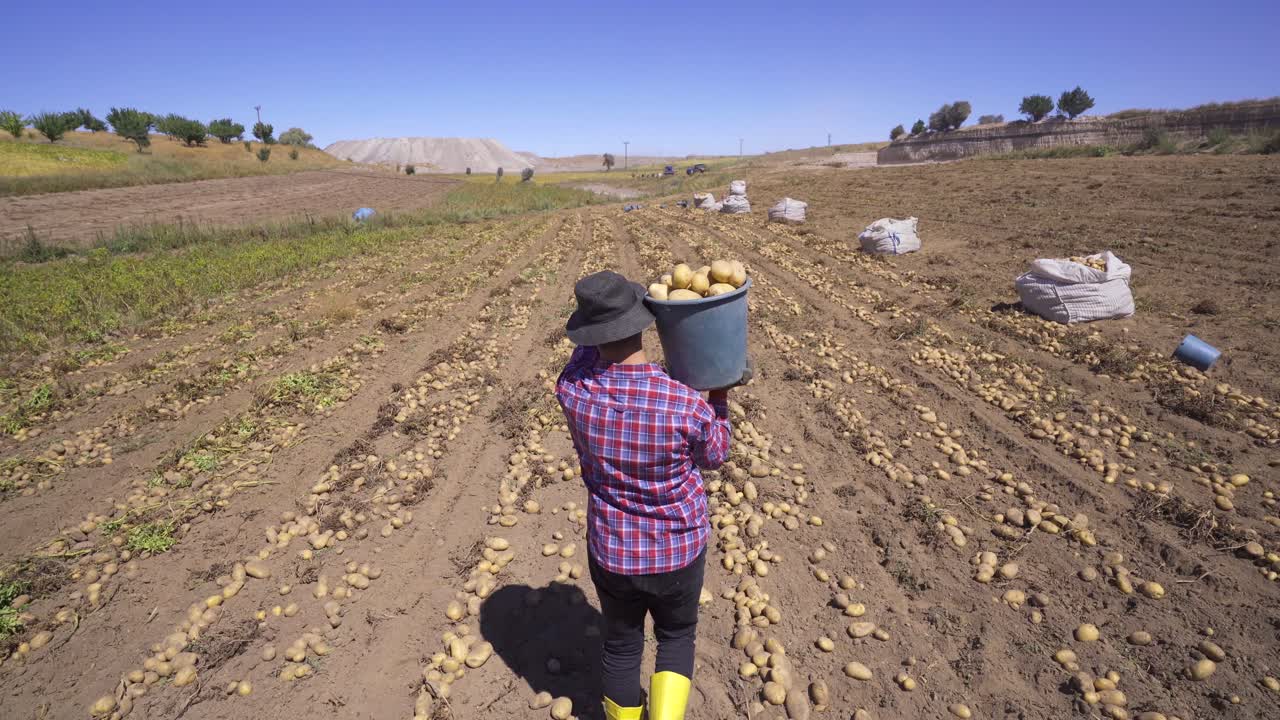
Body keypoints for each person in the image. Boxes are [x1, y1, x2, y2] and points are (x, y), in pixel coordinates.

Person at [555, 271, 741, 720]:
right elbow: (716, 453)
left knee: (621, 644)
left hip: (614, 550)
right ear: (645, 321)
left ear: (590, 332)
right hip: (678, 548)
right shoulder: (683, 402)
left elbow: (585, 353)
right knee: (676, 637)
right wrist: (719, 391)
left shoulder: (573, 389)